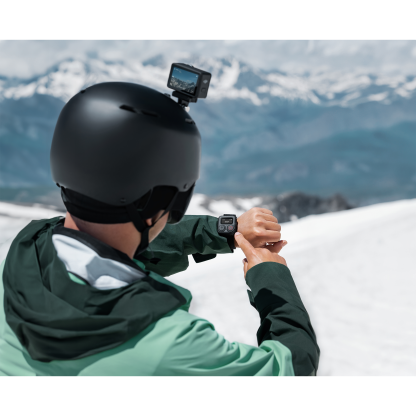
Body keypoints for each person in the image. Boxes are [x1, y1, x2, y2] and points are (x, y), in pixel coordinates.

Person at [0, 82, 319, 376]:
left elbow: (111, 240)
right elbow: (291, 372)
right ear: (170, 202)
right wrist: (271, 280)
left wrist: (226, 231)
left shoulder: (28, 250)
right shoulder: (172, 344)